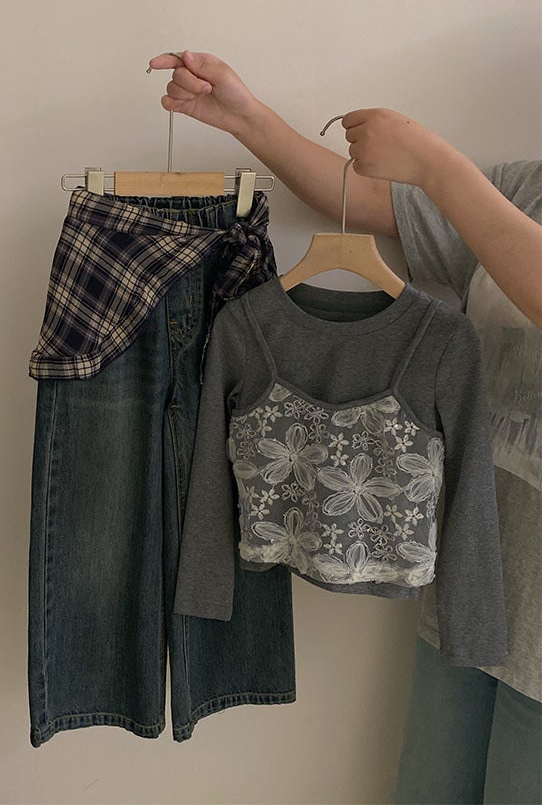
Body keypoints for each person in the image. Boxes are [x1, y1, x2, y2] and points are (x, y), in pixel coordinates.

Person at [148, 50, 542, 805]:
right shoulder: (526, 189)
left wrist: (437, 164)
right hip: (475, 590)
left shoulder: (477, 192)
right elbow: (367, 203)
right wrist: (245, 117)